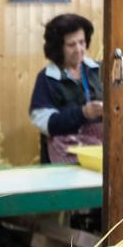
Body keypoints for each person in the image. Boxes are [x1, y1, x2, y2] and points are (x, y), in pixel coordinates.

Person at [29, 13, 104, 164]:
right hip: (66, 155)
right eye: (71, 45)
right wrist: (83, 113)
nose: (79, 49)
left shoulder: (99, 70)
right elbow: (46, 123)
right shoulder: (47, 79)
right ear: (58, 48)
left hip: (101, 153)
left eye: (82, 42)